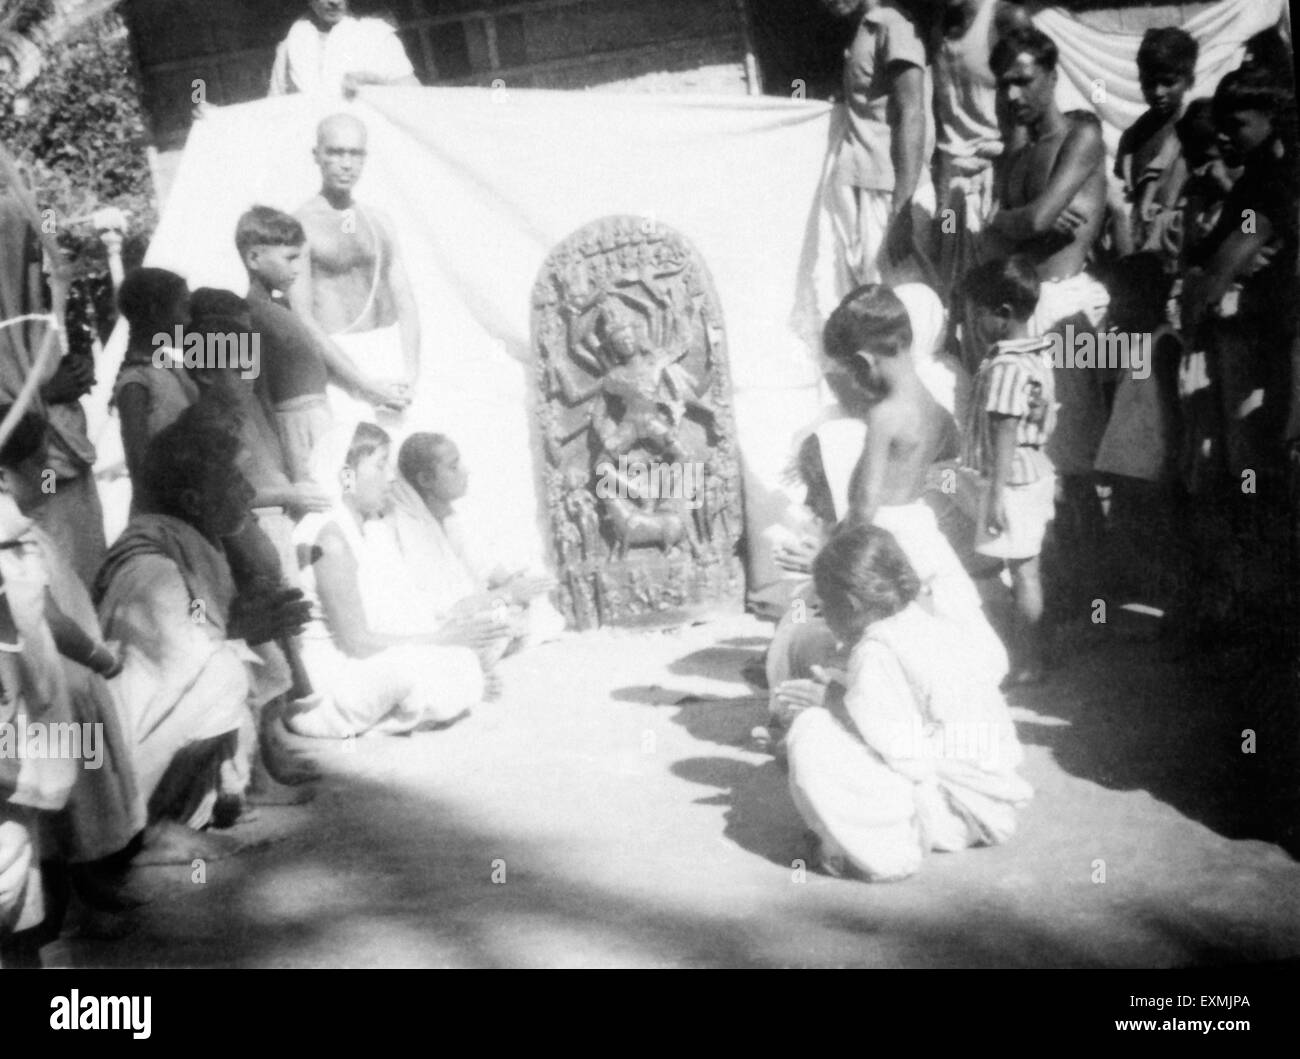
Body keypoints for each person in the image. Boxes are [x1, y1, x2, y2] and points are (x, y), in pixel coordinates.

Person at [94, 411, 312, 858]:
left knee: (238, 659)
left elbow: (203, 632)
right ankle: (143, 830)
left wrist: (241, 627)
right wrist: (238, 631)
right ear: (194, 501)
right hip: (122, 756)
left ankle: (221, 797)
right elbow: (175, 673)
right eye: (234, 481)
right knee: (224, 674)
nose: (248, 493)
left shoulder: (193, 545)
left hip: (152, 727)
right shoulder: (150, 567)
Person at [777, 523, 1032, 881]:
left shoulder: (875, 649)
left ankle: (882, 852)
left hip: (951, 810)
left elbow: (905, 756)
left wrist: (831, 701)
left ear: (849, 604)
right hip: (991, 804)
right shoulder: (931, 622)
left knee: (810, 732)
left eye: (825, 604)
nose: (825, 616)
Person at [984, 26, 1108, 636]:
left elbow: (1028, 220)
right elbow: (1010, 229)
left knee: (1075, 462)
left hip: (1067, 311)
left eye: (1022, 80)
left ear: (1052, 75)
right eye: (1002, 82)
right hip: (1025, 313)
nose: (1011, 94)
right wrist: (1013, 224)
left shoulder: (1080, 136)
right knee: (1030, 465)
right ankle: (1053, 601)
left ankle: (1095, 602)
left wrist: (1013, 223)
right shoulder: (1016, 156)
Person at [0, 410, 145, 927]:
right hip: (28, 699)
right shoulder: (11, 540)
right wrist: (101, 658)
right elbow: (51, 619)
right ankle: (64, 894)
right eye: (37, 464)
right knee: (35, 816)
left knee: (47, 799)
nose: (49, 472)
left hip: (36, 693)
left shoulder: (31, 531)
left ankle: (78, 882)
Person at [821, 283, 1005, 670]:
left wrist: (838, 545)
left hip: (884, 530)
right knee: (940, 613)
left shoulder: (884, 414)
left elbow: (866, 502)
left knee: (887, 621)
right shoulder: (935, 408)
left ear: (863, 362)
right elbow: (949, 457)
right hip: (920, 524)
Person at [286, 423, 499, 739]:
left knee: (466, 656)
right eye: (380, 465)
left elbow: (401, 608)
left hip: (375, 659)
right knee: (413, 671)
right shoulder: (329, 539)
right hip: (340, 678)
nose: (390, 477)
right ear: (346, 476)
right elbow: (356, 643)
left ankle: (407, 708)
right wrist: (442, 639)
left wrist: (449, 632)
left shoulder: (371, 527)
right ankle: (375, 718)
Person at [237, 205, 396, 483]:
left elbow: (318, 364)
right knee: (319, 495)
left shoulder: (285, 309)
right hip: (294, 425)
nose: (298, 269)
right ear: (254, 258)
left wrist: (371, 389)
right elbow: (255, 393)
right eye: (290, 258)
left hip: (320, 416)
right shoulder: (251, 315)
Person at [0, 178, 105, 589]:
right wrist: (47, 395)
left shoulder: (31, 319)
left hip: (68, 476)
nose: (38, 263)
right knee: (63, 597)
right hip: (26, 495)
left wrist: (73, 372)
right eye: (25, 250)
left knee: (90, 582)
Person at [959, 256, 1055, 684]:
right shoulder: (1036, 357)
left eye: (977, 312)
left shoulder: (1004, 367)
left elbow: (1005, 427)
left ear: (1003, 313)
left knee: (1016, 571)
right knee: (1025, 569)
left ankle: (1026, 659)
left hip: (1011, 479)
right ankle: (1029, 655)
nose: (971, 322)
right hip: (1032, 471)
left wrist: (995, 493)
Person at [291, 114, 418, 427]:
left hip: (391, 358)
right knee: (355, 466)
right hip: (340, 366)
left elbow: (406, 303)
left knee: (408, 465)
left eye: (355, 153)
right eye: (335, 152)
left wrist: (411, 373)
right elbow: (302, 317)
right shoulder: (299, 226)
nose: (346, 163)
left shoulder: (380, 222)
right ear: (317, 156)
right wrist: (362, 384)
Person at [390, 432, 562, 661]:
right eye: (453, 467)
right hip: (450, 625)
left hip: (484, 607)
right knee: (500, 622)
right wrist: (509, 594)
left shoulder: (450, 518)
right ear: (425, 480)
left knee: (531, 601)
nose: (465, 471)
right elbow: (446, 610)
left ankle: (508, 633)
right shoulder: (411, 530)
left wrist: (513, 584)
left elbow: (487, 569)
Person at [822, 0, 936, 292]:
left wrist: (902, 207)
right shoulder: (863, 30)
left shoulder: (895, 27)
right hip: (865, 181)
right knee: (871, 295)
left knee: (904, 296)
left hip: (893, 190)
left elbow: (912, 113)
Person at [931, 0, 1032, 299]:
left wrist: (1010, 190)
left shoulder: (1005, 18)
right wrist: (941, 206)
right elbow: (943, 116)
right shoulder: (940, 29)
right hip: (952, 183)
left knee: (996, 289)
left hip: (996, 178)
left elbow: (1033, 104)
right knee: (951, 286)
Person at [1114, 28, 1198, 265]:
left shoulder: (1199, 131)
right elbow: (1127, 200)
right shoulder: (1131, 139)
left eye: (1168, 83)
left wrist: (1248, 232)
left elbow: (1242, 202)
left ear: (1189, 79)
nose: (1158, 92)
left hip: (1183, 253)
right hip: (1140, 252)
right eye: (1150, 84)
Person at [113, 268, 197, 487]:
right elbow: (139, 465)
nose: (188, 320)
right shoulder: (136, 383)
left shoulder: (170, 366)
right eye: (183, 308)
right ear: (155, 311)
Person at [269, 0, 418, 98]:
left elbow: (414, 97)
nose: (335, 1)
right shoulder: (291, 45)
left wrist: (375, 84)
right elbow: (275, 109)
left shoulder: (378, 35)